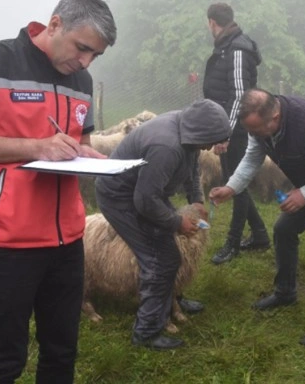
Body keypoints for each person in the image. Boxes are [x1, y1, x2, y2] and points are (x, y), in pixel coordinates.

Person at [0, 0, 116, 383]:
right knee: (3, 362)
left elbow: (79, 141)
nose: (85, 62)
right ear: (54, 25)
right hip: (5, 245)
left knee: (62, 353)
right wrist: (37, 147)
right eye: (82, 48)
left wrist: (86, 154)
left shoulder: (81, 80)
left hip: (67, 242)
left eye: (95, 56)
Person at [209, 88, 305, 348]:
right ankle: (285, 292)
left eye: (257, 130)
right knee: (283, 230)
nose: (255, 136)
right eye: (251, 131)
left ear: (275, 116)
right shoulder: (260, 127)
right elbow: (252, 158)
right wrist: (231, 187)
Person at [94, 100, 230, 350]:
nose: (211, 146)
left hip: (143, 191)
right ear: (200, 131)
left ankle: (172, 300)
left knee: (171, 251)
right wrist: (177, 222)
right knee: (160, 258)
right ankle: (146, 331)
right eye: (210, 139)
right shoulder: (166, 146)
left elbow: (191, 170)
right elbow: (144, 200)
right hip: (121, 197)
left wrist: (197, 200)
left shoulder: (187, 130)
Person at [203, 2, 270, 265]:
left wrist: (226, 133)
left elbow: (241, 97)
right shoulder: (226, 46)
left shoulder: (237, 48)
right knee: (234, 181)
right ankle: (261, 236)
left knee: (236, 185)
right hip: (229, 127)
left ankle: (233, 243)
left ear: (211, 22)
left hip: (237, 129)